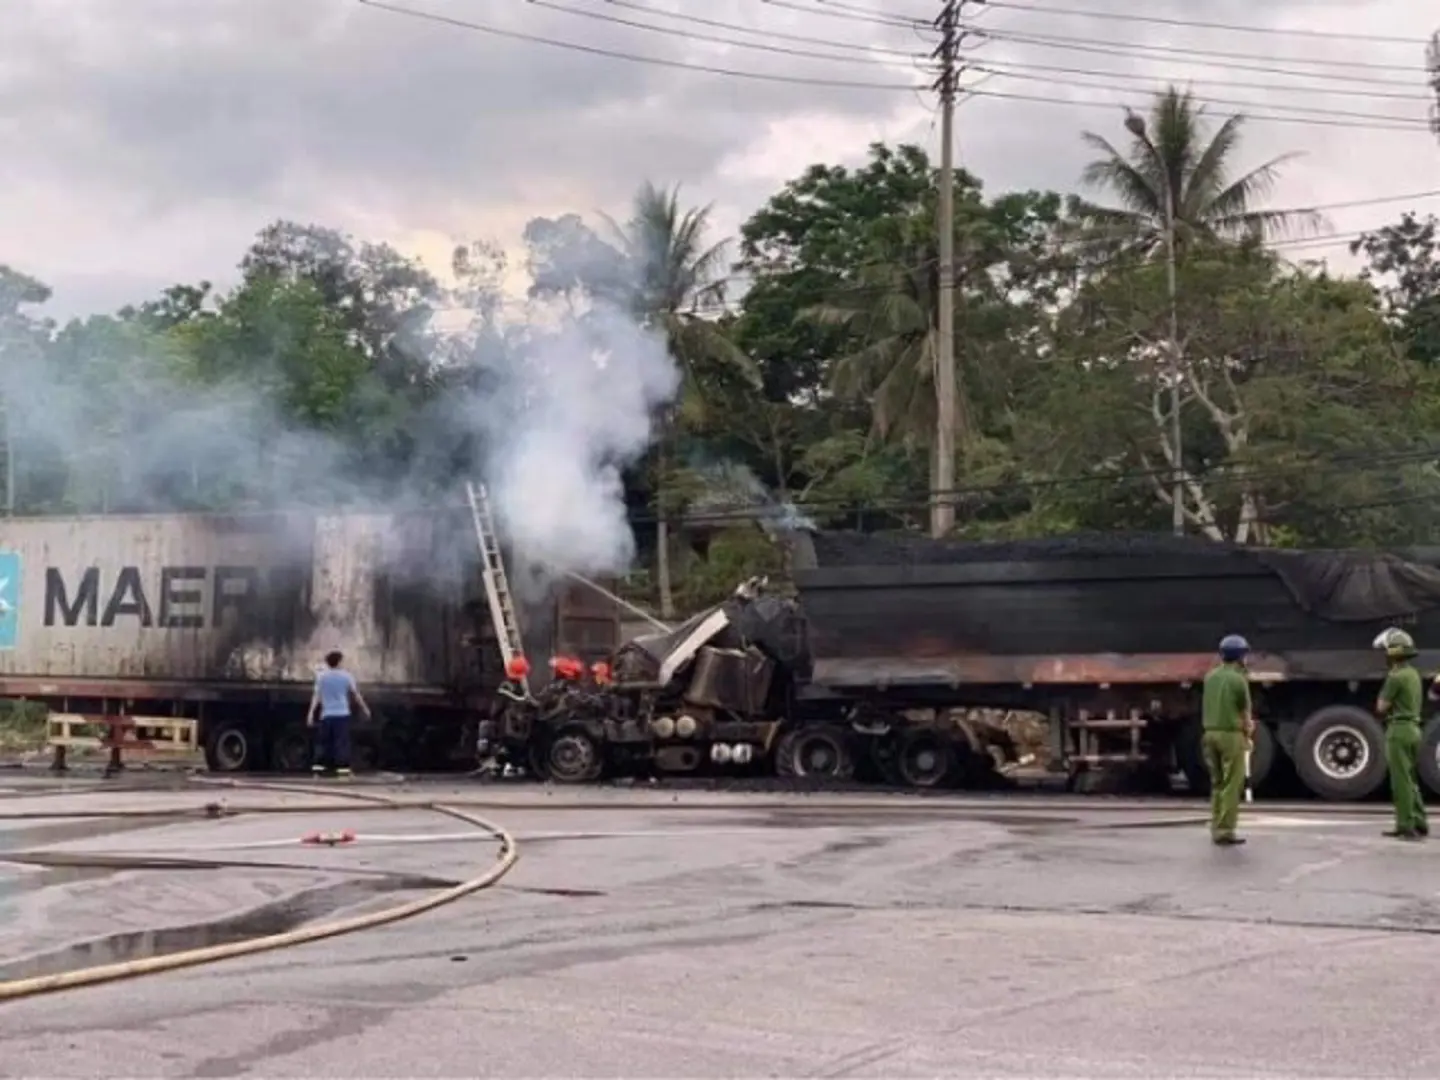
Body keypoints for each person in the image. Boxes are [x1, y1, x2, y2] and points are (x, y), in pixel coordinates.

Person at [1374, 627, 1428, 841]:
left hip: (1399, 730)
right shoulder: (1413, 674)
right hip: (1414, 729)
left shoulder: (1395, 677)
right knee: (1411, 779)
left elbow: (1381, 707)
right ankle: (1419, 821)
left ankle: (1406, 826)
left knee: (1400, 781)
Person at [1202, 633, 1254, 847]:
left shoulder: (1210, 677)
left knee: (1217, 783)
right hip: (1231, 735)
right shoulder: (1239, 679)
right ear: (1241, 656)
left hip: (1209, 733)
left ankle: (1215, 825)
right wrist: (1248, 734)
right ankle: (1225, 830)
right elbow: (1245, 712)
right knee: (1233, 782)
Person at [308, 650, 370, 778]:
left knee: (323, 743)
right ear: (339, 662)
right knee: (341, 743)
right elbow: (356, 695)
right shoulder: (346, 676)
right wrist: (365, 709)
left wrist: (311, 713)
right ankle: (343, 772)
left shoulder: (321, 677)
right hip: (342, 714)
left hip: (326, 715)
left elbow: (316, 696)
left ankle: (317, 772)